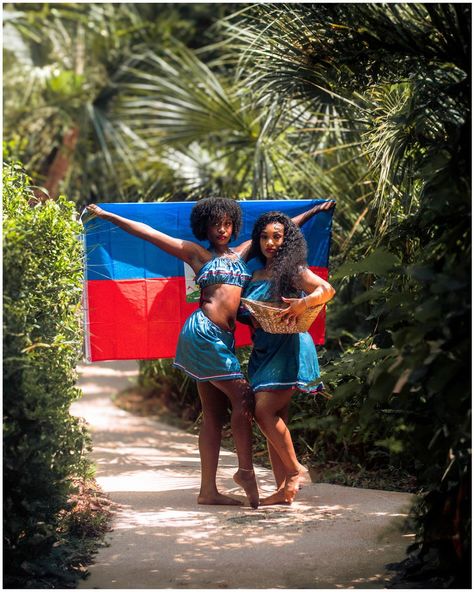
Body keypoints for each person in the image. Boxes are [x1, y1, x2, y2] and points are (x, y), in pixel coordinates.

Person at [86, 198, 333, 509]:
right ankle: (245, 472)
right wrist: (107, 215)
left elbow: (280, 229)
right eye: (216, 224)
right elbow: (149, 233)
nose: (222, 228)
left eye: (227, 223)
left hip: (223, 339)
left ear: (234, 226)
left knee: (214, 414)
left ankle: (207, 491)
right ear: (205, 226)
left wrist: (313, 212)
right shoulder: (197, 254)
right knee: (244, 398)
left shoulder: (243, 253)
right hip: (202, 331)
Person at [241, 211, 335, 505]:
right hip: (263, 348)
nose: (270, 242)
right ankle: (284, 489)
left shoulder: (294, 270)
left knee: (263, 412)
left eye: (277, 236)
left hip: (289, 346)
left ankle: (294, 472)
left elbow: (327, 290)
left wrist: (302, 303)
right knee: (276, 415)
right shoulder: (254, 274)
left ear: (287, 240)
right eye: (264, 236)